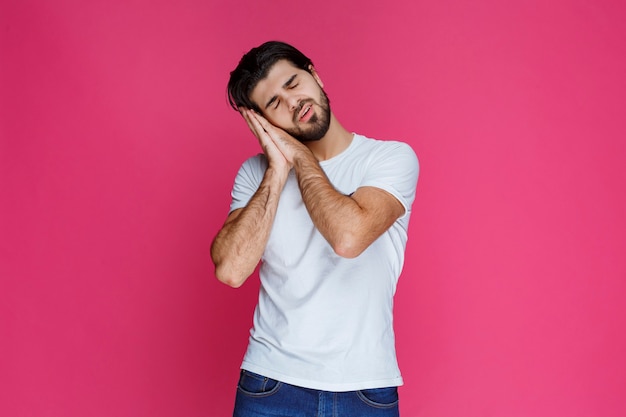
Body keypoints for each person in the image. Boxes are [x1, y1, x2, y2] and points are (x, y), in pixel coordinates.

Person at [211, 40, 419, 417]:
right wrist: (276, 169)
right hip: (270, 386)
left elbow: (348, 237)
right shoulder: (255, 174)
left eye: (293, 83)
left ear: (315, 75)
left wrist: (300, 156)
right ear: (263, 122)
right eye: (273, 103)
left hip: (365, 389)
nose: (292, 102)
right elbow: (230, 270)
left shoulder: (389, 158)